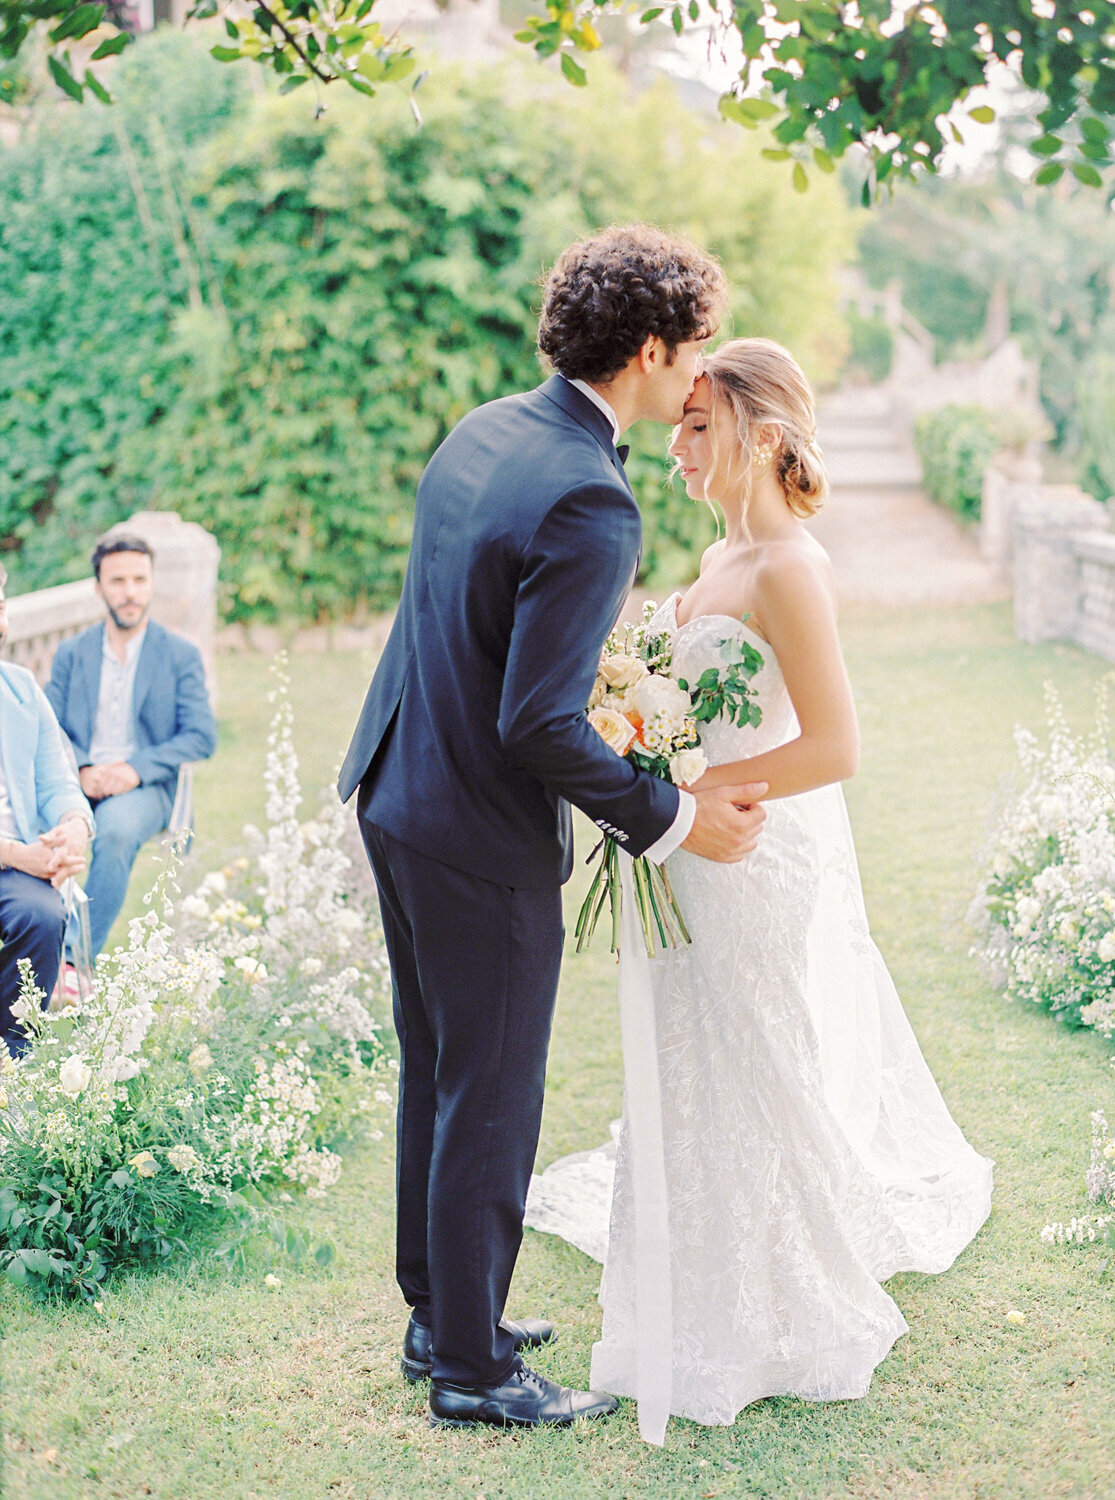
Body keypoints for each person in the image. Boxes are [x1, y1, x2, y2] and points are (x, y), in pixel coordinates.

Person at [338, 226, 769, 1431]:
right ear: (646, 350)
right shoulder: (592, 494)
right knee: (490, 1094)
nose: (698, 379)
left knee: (441, 1070)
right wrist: (671, 815)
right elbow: (535, 721)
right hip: (474, 831)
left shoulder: (486, 426)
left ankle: (444, 1318)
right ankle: (473, 1374)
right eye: (691, 354)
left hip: (395, 791)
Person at [529, 339, 994, 1440]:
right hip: (691, 845)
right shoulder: (713, 554)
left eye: (699, 427)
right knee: (692, 1062)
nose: (677, 445)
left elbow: (833, 745)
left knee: (759, 1057)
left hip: (750, 856)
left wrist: (693, 789)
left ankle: (785, 1300)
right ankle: (694, 1265)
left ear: (764, 435)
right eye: (677, 424)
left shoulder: (788, 567)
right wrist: (648, 774)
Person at [45, 534, 217, 959]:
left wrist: (135, 768)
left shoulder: (180, 655)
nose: (130, 592)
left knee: (117, 831)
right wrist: (81, 767)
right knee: (31, 830)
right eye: (118, 581)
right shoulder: (72, 653)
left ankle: (71, 961)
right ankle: (26, 955)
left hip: (147, 787)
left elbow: (201, 735)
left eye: (140, 579)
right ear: (98, 587)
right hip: (76, 781)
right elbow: (48, 727)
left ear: (152, 582)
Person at [0, 568, 94, 1056]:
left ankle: (9, 1061)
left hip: (17, 866)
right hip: (11, 856)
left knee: (41, 914)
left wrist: (73, 827)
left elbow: (58, 779)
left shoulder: (18, 688)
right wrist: (15, 854)